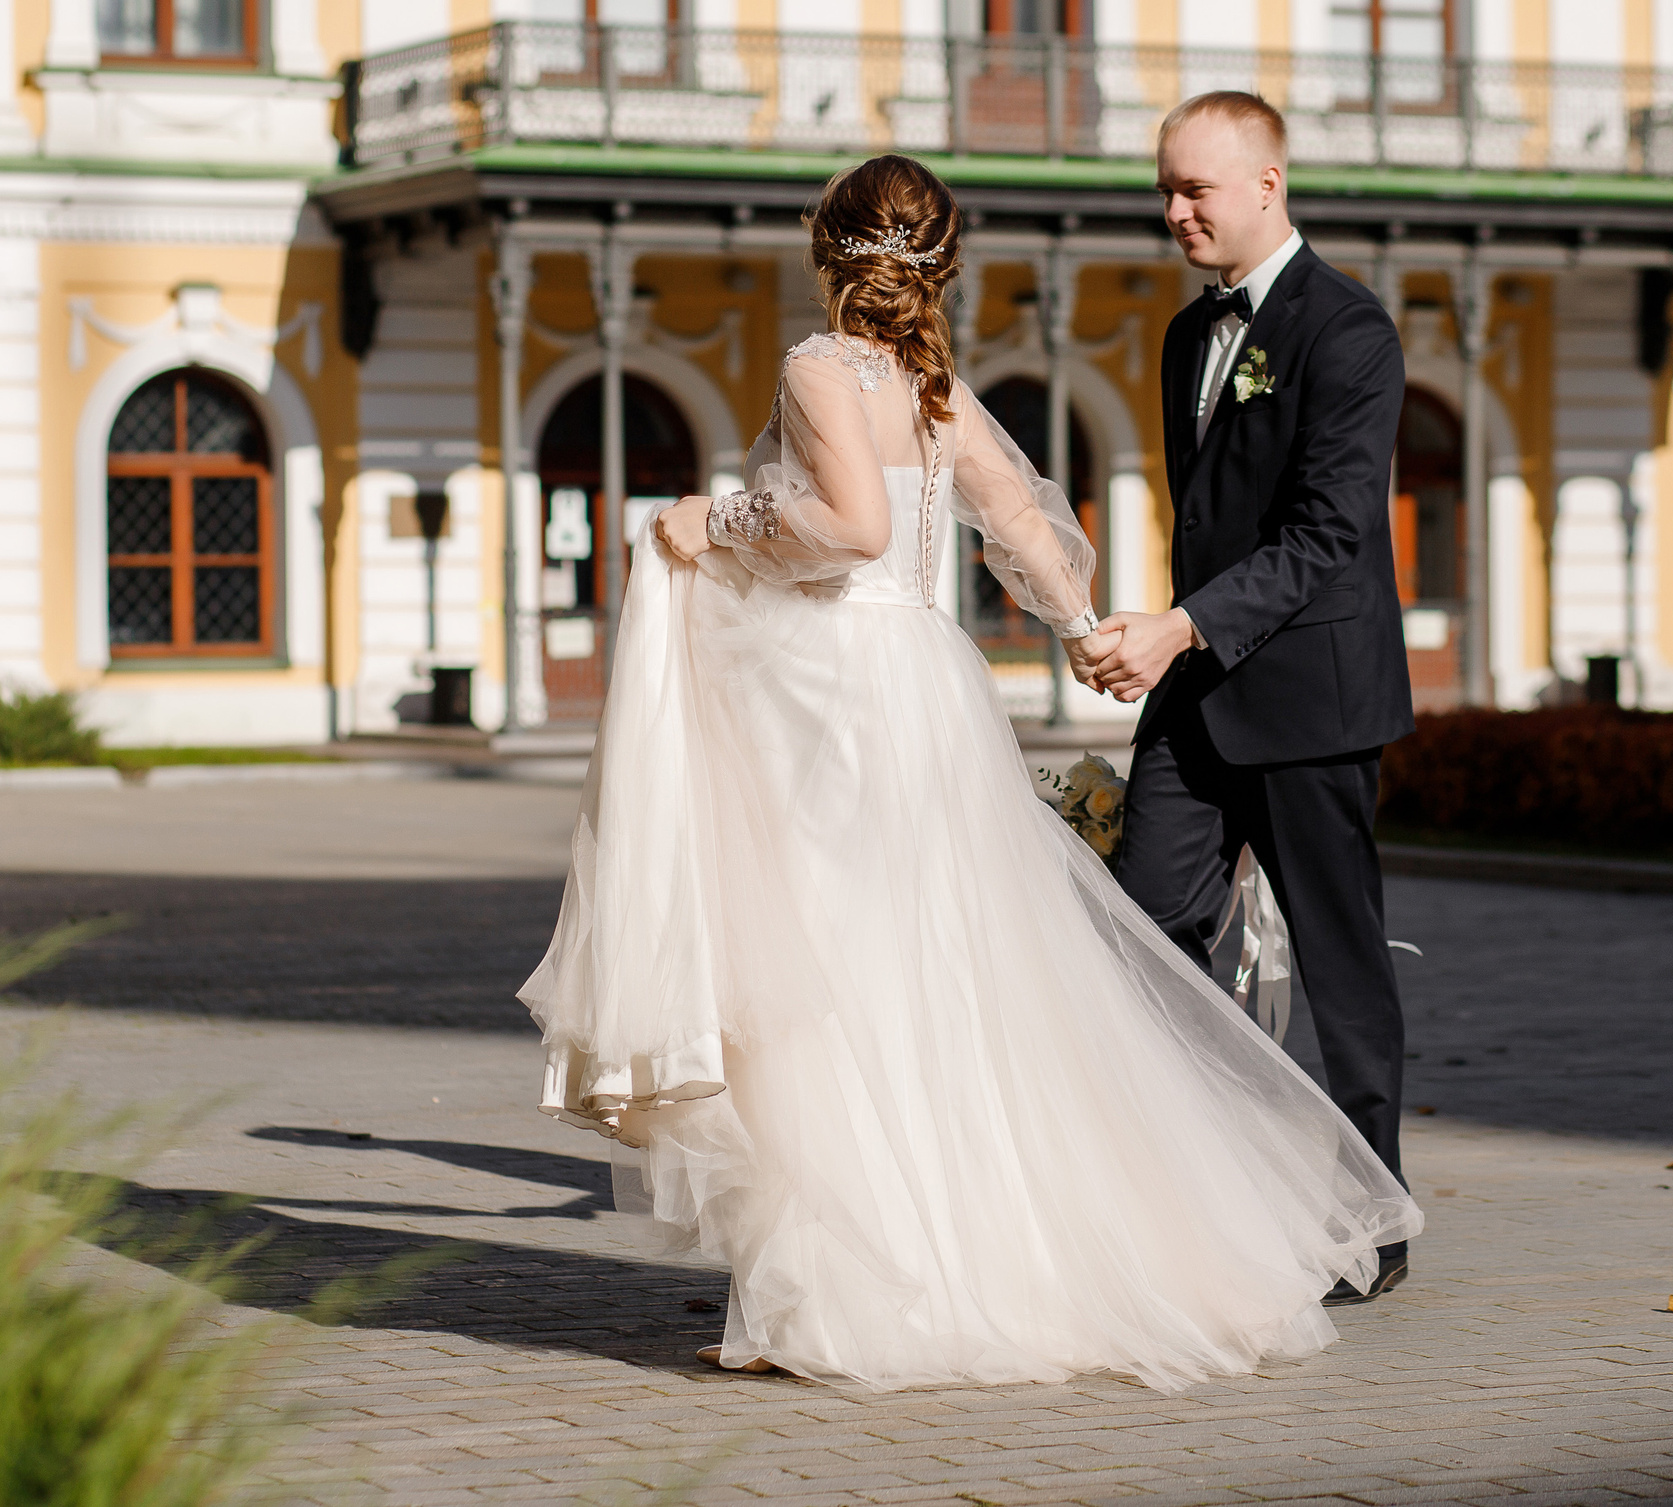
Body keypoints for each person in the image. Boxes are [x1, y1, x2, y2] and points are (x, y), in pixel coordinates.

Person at [518, 153, 1417, 1391]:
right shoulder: (930, 385)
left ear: (826, 248)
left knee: (832, 984)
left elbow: (851, 530)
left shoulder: (821, 367)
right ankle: (977, 1268)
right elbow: (1030, 533)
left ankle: (853, 1294)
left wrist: (706, 521)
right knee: (938, 976)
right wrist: (1092, 636)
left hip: (835, 693)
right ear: (938, 261)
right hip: (928, 691)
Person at [1085, 91, 1419, 1305]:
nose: (1172, 212)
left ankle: (1372, 1215)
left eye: (1194, 190)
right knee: (1142, 935)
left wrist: (1178, 627)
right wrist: (1162, 638)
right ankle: (1203, 1182)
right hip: (1196, 693)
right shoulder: (1185, 336)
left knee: (1340, 971)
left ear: (1267, 183)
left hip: (1313, 702)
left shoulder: (1350, 332)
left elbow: (1328, 533)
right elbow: (1211, 520)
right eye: (1163, 192)